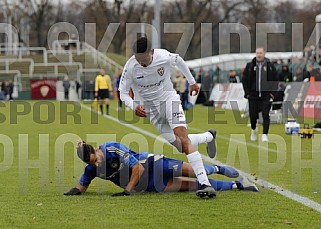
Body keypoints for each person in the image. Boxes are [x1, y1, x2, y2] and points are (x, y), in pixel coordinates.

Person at [119, 36, 217, 198]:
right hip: (152, 112)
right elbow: (123, 93)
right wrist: (134, 106)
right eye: (138, 59)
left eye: (144, 59)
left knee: (183, 140)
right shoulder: (130, 67)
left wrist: (192, 82)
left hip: (169, 102)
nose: (141, 63)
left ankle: (205, 184)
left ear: (152, 52)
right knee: (180, 146)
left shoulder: (162, 56)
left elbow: (178, 60)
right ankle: (208, 136)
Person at [64, 140, 258, 196]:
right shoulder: (91, 168)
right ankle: (239, 186)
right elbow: (82, 186)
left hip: (153, 164)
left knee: (195, 172)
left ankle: (217, 168)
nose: (96, 164)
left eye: (95, 159)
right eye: (92, 163)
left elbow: (137, 168)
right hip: (152, 185)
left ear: (97, 149)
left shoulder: (112, 148)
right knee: (193, 186)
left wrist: (127, 191)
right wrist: (74, 191)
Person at [242, 47, 278, 142]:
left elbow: (275, 79)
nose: (259, 55)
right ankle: (253, 130)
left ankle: (265, 135)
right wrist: (247, 93)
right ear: (255, 53)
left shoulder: (270, 66)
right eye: (257, 53)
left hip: (266, 95)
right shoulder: (250, 65)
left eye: (261, 53)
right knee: (253, 116)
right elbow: (244, 80)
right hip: (253, 95)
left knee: (266, 115)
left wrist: (272, 93)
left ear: (264, 54)